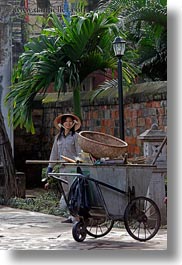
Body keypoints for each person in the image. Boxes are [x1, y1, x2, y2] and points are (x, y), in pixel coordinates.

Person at [46, 113, 82, 223]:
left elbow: (79, 153)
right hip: (62, 168)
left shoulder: (76, 137)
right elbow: (54, 153)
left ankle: (76, 216)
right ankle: (70, 215)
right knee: (66, 191)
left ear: (73, 124)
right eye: (66, 121)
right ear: (62, 124)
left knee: (74, 191)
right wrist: (50, 167)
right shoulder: (58, 138)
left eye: (70, 121)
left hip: (72, 168)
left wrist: (78, 163)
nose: (68, 123)